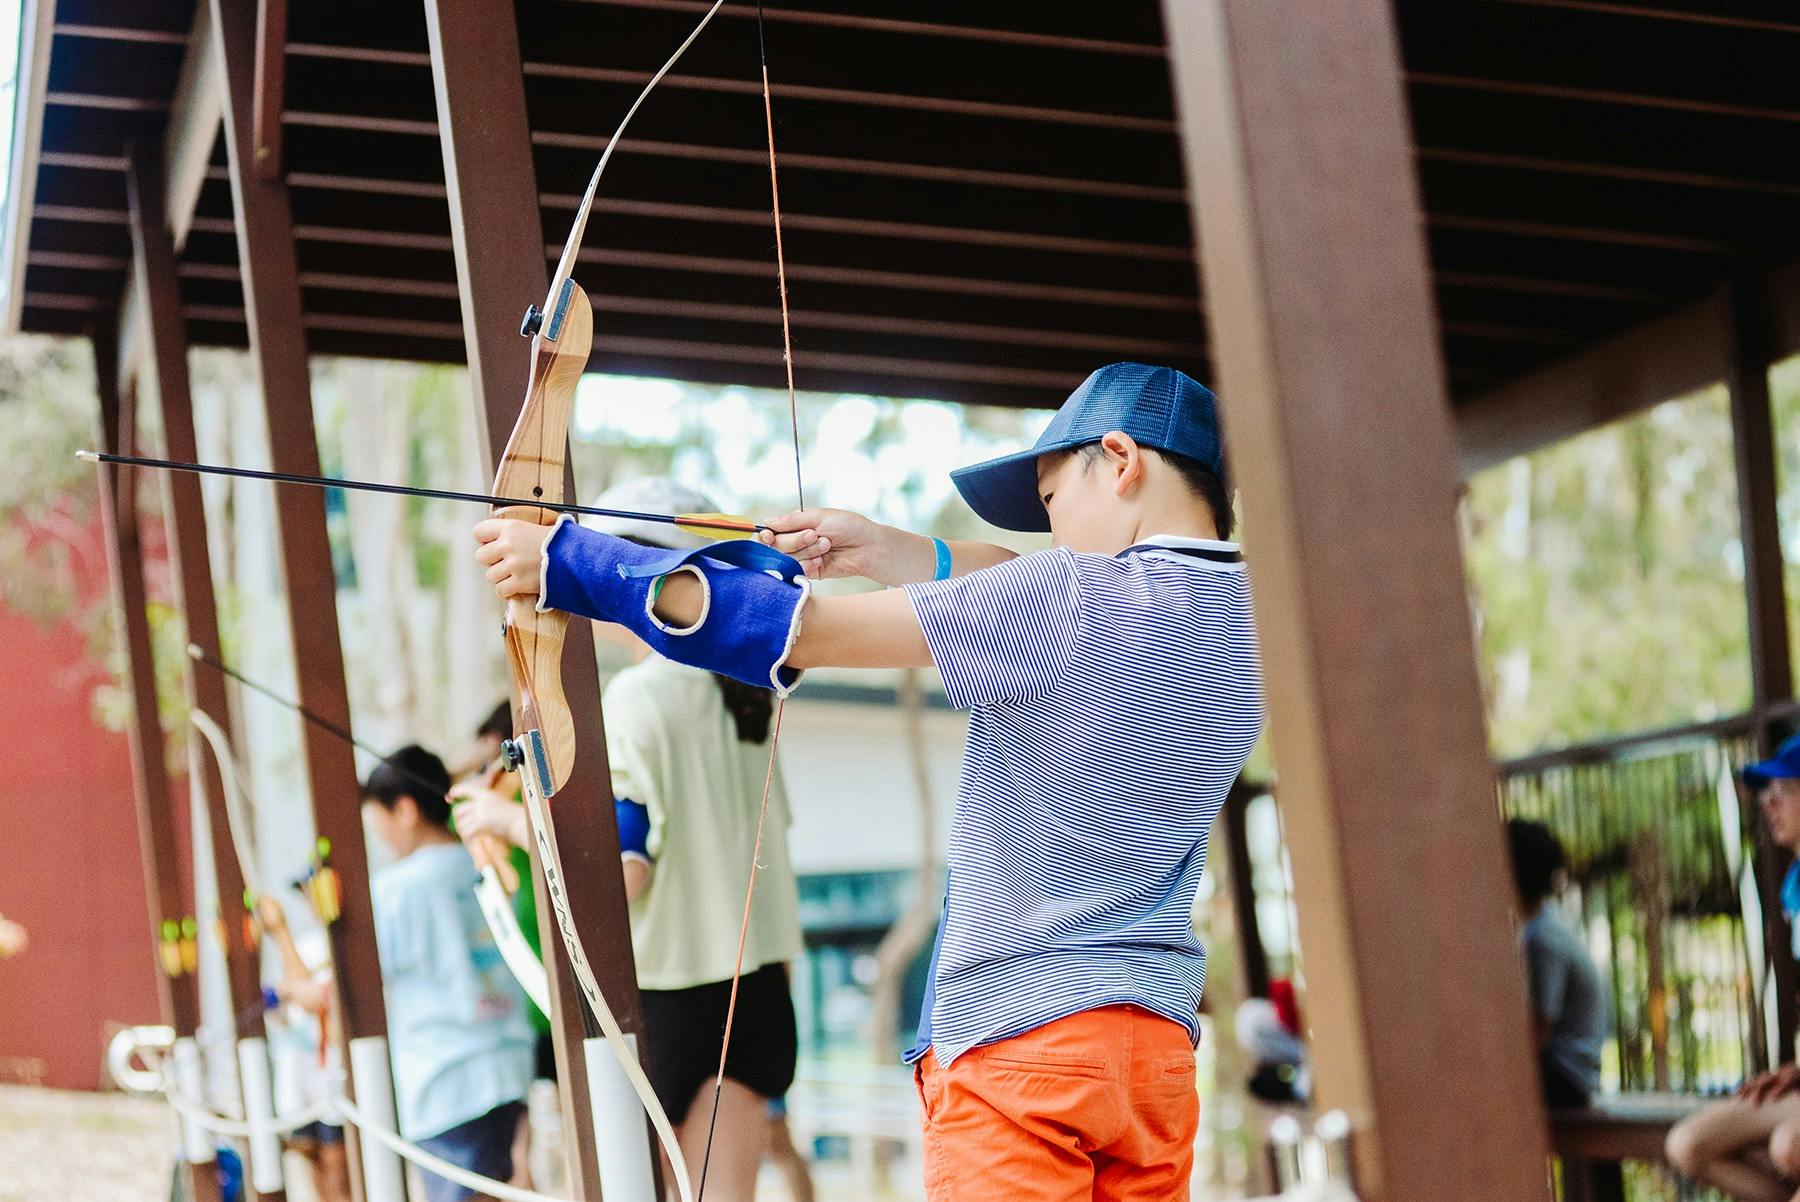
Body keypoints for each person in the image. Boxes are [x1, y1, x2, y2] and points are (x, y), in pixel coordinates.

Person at [473, 362, 1263, 1201]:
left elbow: (788, 627)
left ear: (1120, 459)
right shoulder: (1252, 617)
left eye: (1053, 496)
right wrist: (885, 548)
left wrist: (571, 564)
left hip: (1023, 1049)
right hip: (1153, 1057)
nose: (1049, 527)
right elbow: (1010, 576)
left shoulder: (1067, 596)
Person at [462, 476, 808, 1202]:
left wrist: (508, 827)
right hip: (760, 996)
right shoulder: (746, 689)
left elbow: (626, 869)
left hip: (671, 1002)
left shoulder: (638, 695)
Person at [363, 745, 536, 1202]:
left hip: (442, 1083)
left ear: (404, 809)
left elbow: (367, 978)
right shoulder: (489, 864)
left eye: (377, 818)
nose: (379, 835)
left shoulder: (393, 890)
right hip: (509, 1067)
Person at [1667, 734, 1800, 1201]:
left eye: (1782, 791)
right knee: (1688, 1146)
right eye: (1766, 795)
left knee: (1790, 1148)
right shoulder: (1794, 887)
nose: (1770, 805)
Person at [1505, 818, 1607, 1109]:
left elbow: (1538, 1030)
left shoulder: (1542, 939)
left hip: (1568, 1076)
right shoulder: (1542, 922)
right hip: (1568, 1071)